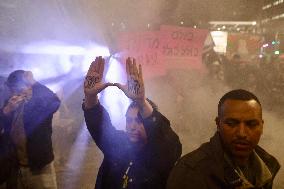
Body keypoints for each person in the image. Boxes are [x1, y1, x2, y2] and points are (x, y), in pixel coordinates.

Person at [83, 56, 182, 189]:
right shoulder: (119, 146)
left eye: (139, 121)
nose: (132, 126)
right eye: (129, 120)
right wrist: (90, 97)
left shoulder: (161, 154)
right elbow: (99, 126)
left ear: (149, 124)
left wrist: (141, 102)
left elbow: (167, 140)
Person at [167, 89, 280, 189]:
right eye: (231, 124)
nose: (241, 133)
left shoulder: (266, 166)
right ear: (218, 124)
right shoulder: (190, 172)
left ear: (262, 126)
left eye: (251, 124)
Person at [0, 70, 60, 189]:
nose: (12, 93)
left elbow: (54, 101)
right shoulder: (11, 104)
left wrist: (34, 83)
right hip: (16, 167)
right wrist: (6, 110)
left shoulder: (38, 103)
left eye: (15, 88)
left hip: (39, 166)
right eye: (11, 89)